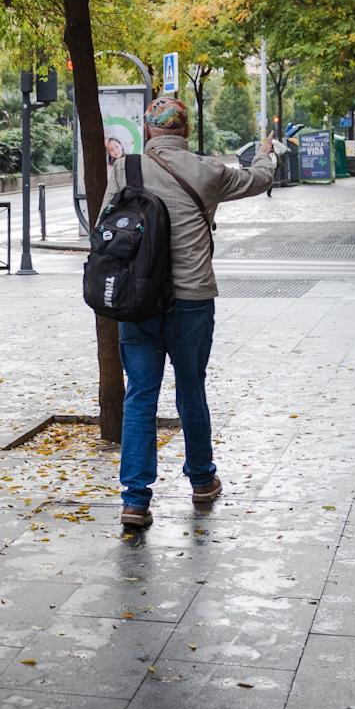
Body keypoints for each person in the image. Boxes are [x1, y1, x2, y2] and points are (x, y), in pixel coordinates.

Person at [101, 98, 275, 527]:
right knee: (191, 388)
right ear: (186, 131)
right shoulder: (208, 170)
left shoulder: (126, 168)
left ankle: (135, 500)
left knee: (141, 394)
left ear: (148, 130)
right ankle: (201, 479)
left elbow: (104, 223)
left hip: (138, 300)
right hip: (192, 299)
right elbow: (256, 179)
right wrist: (267, 154)